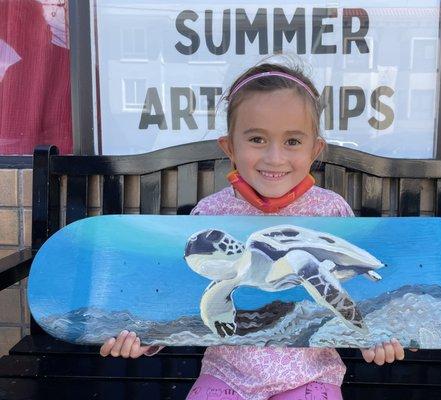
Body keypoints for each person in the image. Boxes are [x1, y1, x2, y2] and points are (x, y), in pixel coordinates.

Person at [100, 62, 409, 400]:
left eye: (292, 141)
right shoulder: (210, 214)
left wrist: (371, 337)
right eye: (257, 139)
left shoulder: (331, 211)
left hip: (310, 374)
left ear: (314, 150)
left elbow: (353, 293)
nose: (275, 157)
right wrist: (146, 337)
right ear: (229, 146)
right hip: (226, 372)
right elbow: (186, 297)